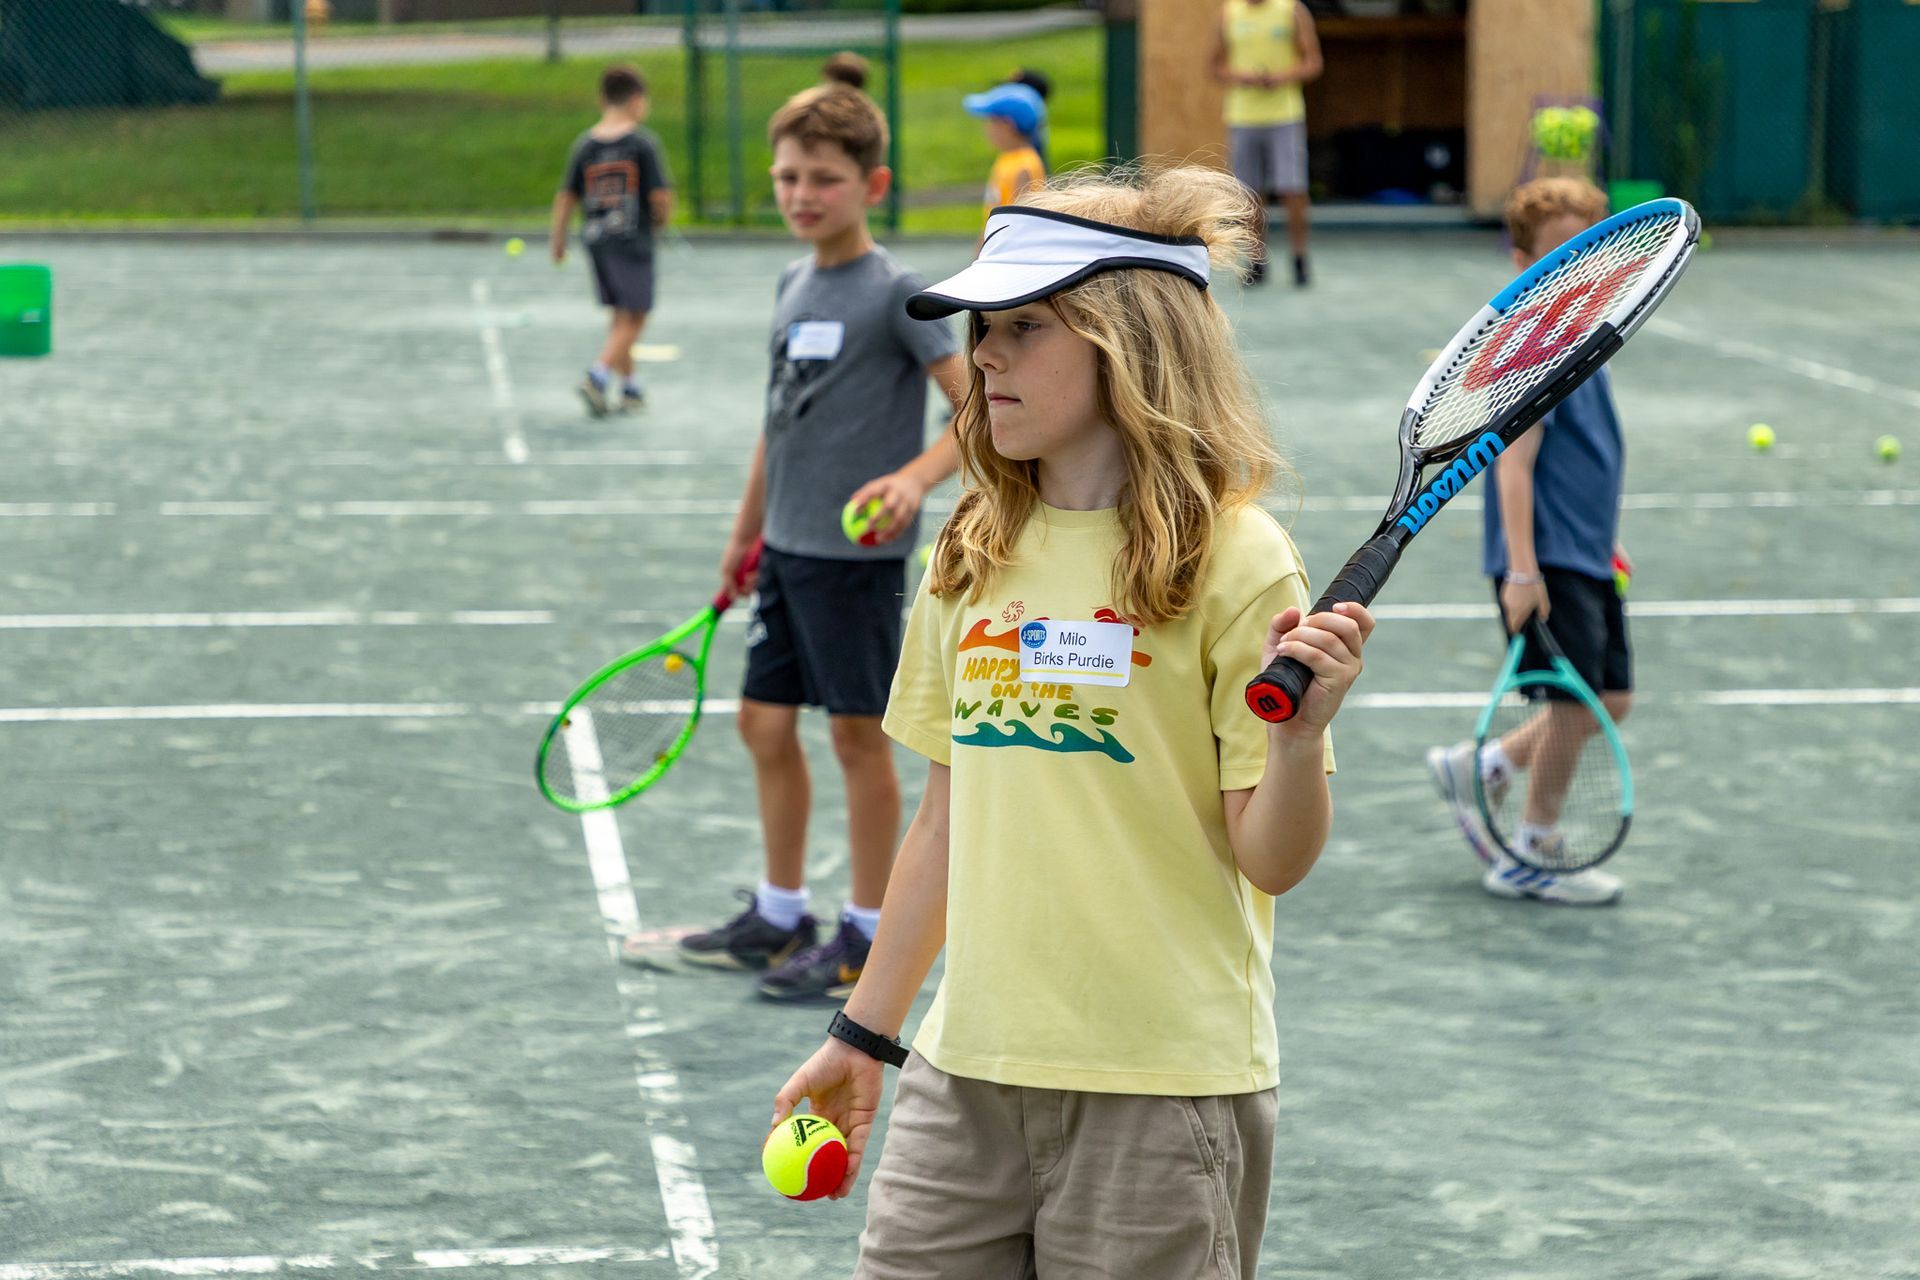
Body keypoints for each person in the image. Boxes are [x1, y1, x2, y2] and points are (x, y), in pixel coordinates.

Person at [769, 166, 1375, 1276]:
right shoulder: (969, 551)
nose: (984, 353)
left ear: (1127, 338)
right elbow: (943, 826)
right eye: (982, 327)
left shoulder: (1237, 561)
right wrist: (863, 1031)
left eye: (1023, 326)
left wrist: (1297, 740)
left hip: (1163, 1090)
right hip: (966, 1075)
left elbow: (1272, 859)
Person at [660, 85, 968, 1002]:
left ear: (871, 183)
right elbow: (777, 423)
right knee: (761, 723)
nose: (802, 194)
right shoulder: (792, 283)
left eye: (824, 178)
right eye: (788, 176)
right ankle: (780, 910)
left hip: (858, 563)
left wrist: (913, 481)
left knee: (854, 737)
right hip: (786, 551)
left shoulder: (896, 295)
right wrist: (744, 534)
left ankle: (867, 935)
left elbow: (977, 409)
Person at [1425, 177, 1631, 908]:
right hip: (1542, 561)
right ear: (1522, 262)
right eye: (1561, 251)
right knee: (1578, 707)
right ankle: (1529, 850)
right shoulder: (1536, 346)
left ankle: (1483, 766)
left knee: (1611, 695)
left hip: (1584, 550)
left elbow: (1586, 459)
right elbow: (1513, 467)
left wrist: (1604, 541)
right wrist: (1521, 569)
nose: (1582, 263)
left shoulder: (1588, 335)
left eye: (1593, 247)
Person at [549, 64, 673, 416]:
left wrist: (557, 240)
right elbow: (660, 196)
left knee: (621, 314)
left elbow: (566, 196)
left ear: (602, 99)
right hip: (633, 241)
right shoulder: (641, 143)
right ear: (637, 100)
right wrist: (661, 223)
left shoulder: (585, 145)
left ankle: (631, 387)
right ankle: (598, 375)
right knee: (638, 314)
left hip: (597, 241)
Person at [1211, 0, 1322, 287]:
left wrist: (1281, 77)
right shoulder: (1229, 12)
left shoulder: (1292, 10)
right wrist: (1242, 77)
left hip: (1285, 115)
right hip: (1243, 117)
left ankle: (1299, 259)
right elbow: (1216, 66)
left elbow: (1312, 62)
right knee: (1250, 194)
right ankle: (1257, 260)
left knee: (1293, 188)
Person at [962, 82, 1047, 222]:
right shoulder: (1008, 158)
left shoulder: (1023, 167)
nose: (986, 128)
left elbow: (1019, 223)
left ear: (1008, 124)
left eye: (991, 121)